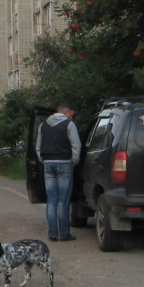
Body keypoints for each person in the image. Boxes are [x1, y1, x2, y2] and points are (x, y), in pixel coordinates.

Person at [36, 102, 82, 242]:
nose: (72, 118)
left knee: (51, 201)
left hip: (48, 165)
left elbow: (38, 146)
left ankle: (52, 234)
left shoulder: (43, 125)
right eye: (71, 115)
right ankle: (64, 234)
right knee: (63, 201)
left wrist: (43, 160)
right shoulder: (69, 125)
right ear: (66, 112)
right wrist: (74, 161)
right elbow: (76, 145)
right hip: (64, 164)